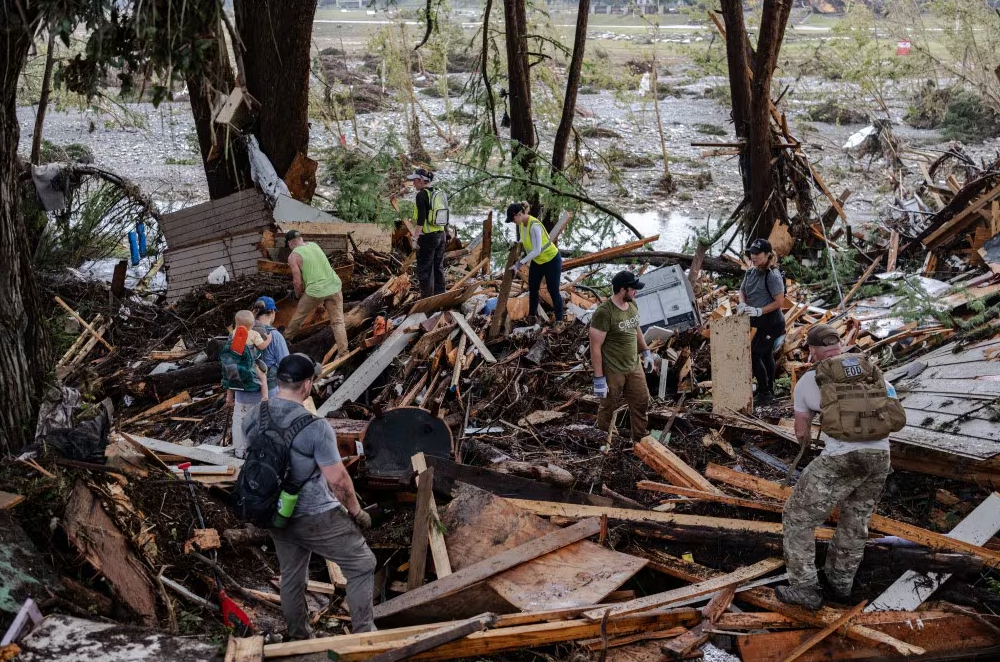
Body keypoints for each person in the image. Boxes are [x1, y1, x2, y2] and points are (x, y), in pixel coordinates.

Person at [244, 353, 377, 639]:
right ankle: (365, 636)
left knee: (291, 575)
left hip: (274, 511)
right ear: (307, 385)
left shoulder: (255, 415)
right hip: (314, 514)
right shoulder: (316, 427)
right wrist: (356, 512)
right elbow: (338, 481)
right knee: (362, 564)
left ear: (279, 381)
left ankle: (300, 637)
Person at [777, 324, 901, 610]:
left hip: (842, 457)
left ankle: (806, 586)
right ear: (841, 346)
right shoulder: (871, 371)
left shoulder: (811, 379)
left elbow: (799, 431)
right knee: (855, 521)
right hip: (881, 457)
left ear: (811, 350)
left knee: (797, 516)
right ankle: (840, 584)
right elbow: (892, 409)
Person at [589, 270, 657, 440]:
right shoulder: (604, 313)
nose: (636, 292)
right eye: (633, 288)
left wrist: (645, 351)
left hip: (634, 365)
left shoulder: (632, 304)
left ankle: (640, 440)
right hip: (613, 368)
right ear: (622, 289)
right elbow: (595, 346)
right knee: (609, 406)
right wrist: (598, 379)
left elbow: (636, 328)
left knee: (641, 401)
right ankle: (606, 440)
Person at [285, 230, 349, 358]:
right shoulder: (314, 245)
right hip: (334, 286)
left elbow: (297, 282)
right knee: (338, 322)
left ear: (290, 243)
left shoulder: (293, 256)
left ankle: (285, 338)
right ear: (301, 239)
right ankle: (344, 352)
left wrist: (297, 295)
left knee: (300, 315)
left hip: (315, 291)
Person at [737, 238, 785, 404]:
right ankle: (769, 388)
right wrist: (742, 304)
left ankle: (764, 393)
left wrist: (759, 310)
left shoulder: (772, 276)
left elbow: (780, 302)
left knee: (755, 353)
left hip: (772, 323)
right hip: (760, 322)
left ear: (767, 255)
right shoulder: (751, 271)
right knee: (765, 354)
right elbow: (741, 291)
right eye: (751, 253)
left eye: (757, 253)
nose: (753, 256)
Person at [224, 310, 272, 459]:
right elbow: (262, 347)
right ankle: (265, 396)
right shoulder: (254, 335)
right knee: (263, 378)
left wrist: (229, 396)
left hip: (237, 373)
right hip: (251, 367)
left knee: (238, 422)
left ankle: (239, 452)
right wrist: (269, 339)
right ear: (252, 325)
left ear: (237, 324)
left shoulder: (232, 335)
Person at [507, 201, 564, 325]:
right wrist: (514, 243)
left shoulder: (535, 226)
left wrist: (519, 264)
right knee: (533, 288)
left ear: (518, 214)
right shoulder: (522, 223)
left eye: (512, 219)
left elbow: (537, 250)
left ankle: (560, 320)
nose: (512, 222)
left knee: (553, 289)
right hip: (538, 261)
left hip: (551, 260)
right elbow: (523, 240)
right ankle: (532, 317)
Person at [407, 168, 447, 298]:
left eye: (414, 180)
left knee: (424, 269)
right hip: (441, 236)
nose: (413, 183)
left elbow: (421, 218)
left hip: (428, 237)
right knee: (438, 267)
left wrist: (415, 238)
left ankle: (427, 299)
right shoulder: (438, 192)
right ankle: (440, 297)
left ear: (421, 180)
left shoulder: (422, 195)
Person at [252, 296, 290, 399]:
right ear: (272, 312)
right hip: (268, 393)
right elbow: (286, 365)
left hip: (242, 394)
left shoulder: (243, 332)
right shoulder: (275, 335)